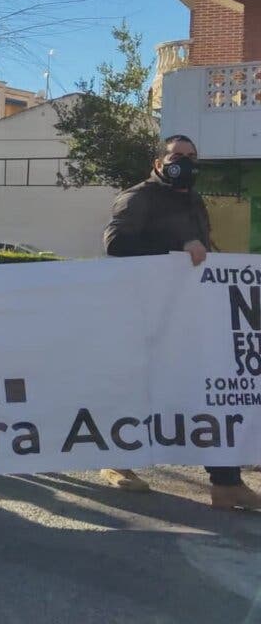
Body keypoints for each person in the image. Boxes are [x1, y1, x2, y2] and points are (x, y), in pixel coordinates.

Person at [103, 133, 261, 509]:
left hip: (188, 314)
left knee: (212, 389)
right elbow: (116, 244)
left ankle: (226, 482)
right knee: (141, 389)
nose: (185, 162)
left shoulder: (192, 199)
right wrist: (176, 253)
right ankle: (117, 459)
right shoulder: (139, 196)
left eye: (191, 156)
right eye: (177, 155)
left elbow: (201, 250)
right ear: (159, 162)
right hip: (146, 315)